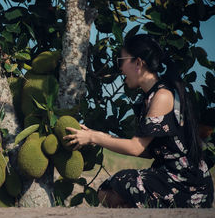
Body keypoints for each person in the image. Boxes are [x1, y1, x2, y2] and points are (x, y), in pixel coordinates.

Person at [64, 34, 214, 208]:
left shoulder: (162, 96)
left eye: (121, 61)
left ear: (138, 63)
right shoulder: (149, 97)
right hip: (169, 175)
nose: (120, 69)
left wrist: (94, 137)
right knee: (108, 190)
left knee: (119, 185)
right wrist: (98, 137)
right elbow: (151, 151)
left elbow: (136, 147)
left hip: (187, 184)